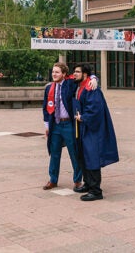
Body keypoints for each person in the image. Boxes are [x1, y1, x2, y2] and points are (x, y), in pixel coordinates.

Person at [42, 62, 97, 190]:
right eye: (53, 72)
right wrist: (47, 126)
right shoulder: (49, 88)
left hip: (69, 124)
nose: (54, 74)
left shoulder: (70, 83)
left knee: (74, 153)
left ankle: (77, 180)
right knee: (54, 153)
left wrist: (94, 78)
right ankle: (53, 180)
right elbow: (45, 107)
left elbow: (83, 76)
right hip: (55, 124)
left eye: (57, 72)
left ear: (64, 74)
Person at [73, 64, 119, 201]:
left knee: (91, 157)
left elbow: (95, 110)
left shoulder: (91, 88)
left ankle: (96, 191)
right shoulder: (80, 85)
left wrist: (83, 118)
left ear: (85, 74)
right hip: (82, 128)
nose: (74, 74)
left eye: (77, 72)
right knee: (83, 156)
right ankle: (88, 184)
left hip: (91, 129)